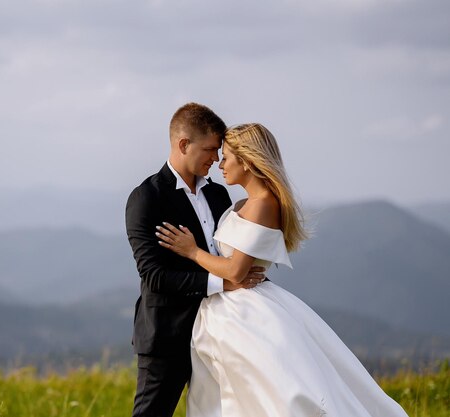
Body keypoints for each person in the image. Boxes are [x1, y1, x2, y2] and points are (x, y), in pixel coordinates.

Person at [156, 123, 409, 416]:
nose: (220, 163)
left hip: (245, 315)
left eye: (227, 157)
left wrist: (192, 251)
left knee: (267, 396)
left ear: (248, 161)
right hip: (225, 314)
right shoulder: (243, 203)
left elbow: (237, 272)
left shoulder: (264, 204)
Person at [125, 104, 267, 417]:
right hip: (167, 336)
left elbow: (225, 253)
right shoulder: (147, 197)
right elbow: (155, 276)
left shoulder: (218, 194)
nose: (216, 160)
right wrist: (225, 282)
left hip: (220, 333)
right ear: (183, 144)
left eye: (219, 152)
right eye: (211, 150)